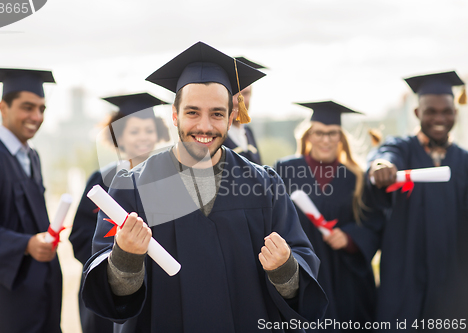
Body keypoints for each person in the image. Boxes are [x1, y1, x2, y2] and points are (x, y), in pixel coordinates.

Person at [81, 41, 328, 333]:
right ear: (174, 115)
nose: (205, 126)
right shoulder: (133, 187)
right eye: (192, 112)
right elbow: (112, 296)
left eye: (217, 114)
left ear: (232, 116)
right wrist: (125, 256)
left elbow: (301, 269)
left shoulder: (264, 185)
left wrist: (285, 268)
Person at [368, 71, 468, 332]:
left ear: (455, 113)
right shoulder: (402, 149)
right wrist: (381, 166)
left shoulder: (464, 161)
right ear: (416, 113)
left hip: (452, 281)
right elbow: (385, 155)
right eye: (430, 111)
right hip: (405, 276)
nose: (439, 118)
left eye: (446, 111)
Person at [0, 68, 62, 333]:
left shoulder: (31, 156)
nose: (37, 117)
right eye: (27, 107)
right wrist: (26, 244)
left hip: (37, 294)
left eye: (42, 109)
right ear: (3, 107)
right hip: (2, 302)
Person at [275, 101, 381, 331]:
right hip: (304, 271)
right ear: (309, 135)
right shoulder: (285, 170)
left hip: (346, 278)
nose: (326, 139)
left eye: (332, 133)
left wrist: (350, 238)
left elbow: (374, 224)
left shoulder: (357, 177)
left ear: (341, 138)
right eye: (319, 133)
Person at [69, 92, 170, 333]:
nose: (143, 137)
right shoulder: (103, 179)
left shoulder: (167, 180)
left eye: (149, 130)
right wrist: (113, 261)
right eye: (134, 131)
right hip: (109, 286)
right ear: (118, 136)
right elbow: (80, 236)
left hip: (156, 288)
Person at [222, 56, 265, 164]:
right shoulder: (216, 136)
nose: (238, 101)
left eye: (245, 94)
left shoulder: (248, 132)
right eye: (232, 94)